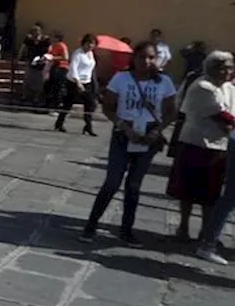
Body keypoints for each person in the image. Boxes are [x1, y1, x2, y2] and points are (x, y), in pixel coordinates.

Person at [80, 42, 178, 245]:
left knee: (134, 185)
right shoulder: (122, 79)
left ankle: (126, 230)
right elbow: (108, 107)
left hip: (149, 135)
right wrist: (124, 127)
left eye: (151, 57)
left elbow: (171, 112)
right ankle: (91, 224)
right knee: (112, 182)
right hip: (125, 133)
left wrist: (156, 132)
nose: (146, 61)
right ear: (135, 58)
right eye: (142, 57)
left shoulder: (164, 82)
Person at [166, 51, 235, 241]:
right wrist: (230, 124)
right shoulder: (202, 86)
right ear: (212, 68)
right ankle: (184, 227)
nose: (227, 72)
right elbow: (222, 115)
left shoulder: (229, 88)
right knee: (187, 190)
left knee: (212, 193)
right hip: (196, 142)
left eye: (230, 67)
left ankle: (206, 230)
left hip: (220, 146)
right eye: (223, 68)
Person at [56, 34, 99, 135]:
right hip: (74, 82)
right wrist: (78, 82)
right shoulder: (78, 53)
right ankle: (59, 123)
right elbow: (73, 68)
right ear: (84, 43)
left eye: (93, 44)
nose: (90, 46)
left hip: (87, 82)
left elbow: (91, 68)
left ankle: (88, 126)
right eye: (89, 43)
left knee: (90, 104)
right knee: (68, 104)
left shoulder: (91, 54)